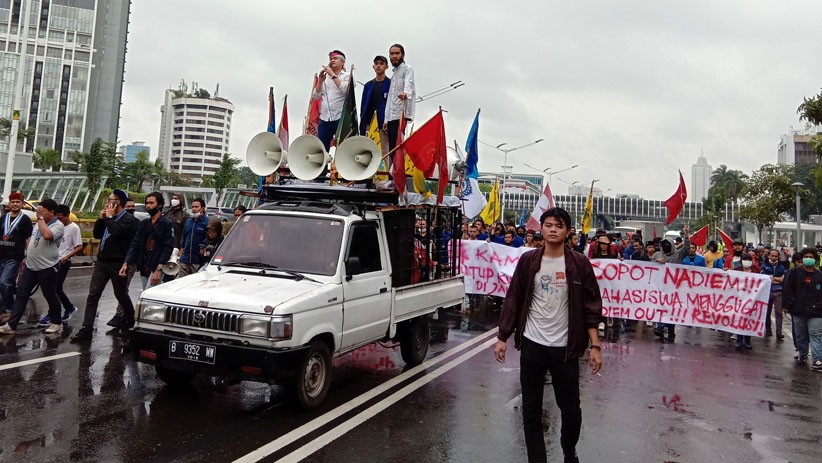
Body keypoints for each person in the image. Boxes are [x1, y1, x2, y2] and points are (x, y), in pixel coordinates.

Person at [495, 207, 602, 463]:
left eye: (559, 226)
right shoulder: (528, 261)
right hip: (532, 345)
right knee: (531, 409)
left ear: (568, 231)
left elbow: (591, 306)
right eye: (549, 225)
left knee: (571, 409)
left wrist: (595, 346)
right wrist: (502, 336)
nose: (553, 230)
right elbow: (514, 298)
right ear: (541, 229)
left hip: (565, 348)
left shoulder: (579, 263)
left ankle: (568, 449)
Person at [72, 189, 139, 342]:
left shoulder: (128, 219)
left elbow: (116, 232)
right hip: (102, 261)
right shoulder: (108, 218)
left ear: (119, 202)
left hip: (118, 262)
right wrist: (101, 219)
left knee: (121, 294)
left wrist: (109, 218)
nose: (108, 202)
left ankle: (130, 320)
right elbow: (97, 234)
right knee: (93, 294)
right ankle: (87, 328)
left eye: (111, 199)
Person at [0, 199, 65, 334]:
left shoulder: (58, 225)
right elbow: (31, 240)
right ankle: (11, 325)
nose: (39, 213)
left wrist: (40, 218)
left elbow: (47, 235)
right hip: (31, 266)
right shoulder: (39, 223)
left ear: (51, 212)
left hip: (47, 267)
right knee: (21, 295)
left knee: (50, 295)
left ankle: (56, 322)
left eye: (43, 211)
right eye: (39, 211)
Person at [37, 204, 82, 327]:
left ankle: (52, 314)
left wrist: (67, 257)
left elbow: (79, 246)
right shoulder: (55, 226)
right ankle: (68, 307)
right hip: (51, 260)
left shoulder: (74, 228)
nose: (59, 220)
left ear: (67, 216)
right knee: (52, 288)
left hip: (63, 262)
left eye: (61, 218)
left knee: (55, 288)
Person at [121, 192, 175, 290]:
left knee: (151, 293)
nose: (148, 206)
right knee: (145, 292)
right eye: (147, 203)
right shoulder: (144, 223)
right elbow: (135, 244)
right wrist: (126, 262)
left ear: (159, 205)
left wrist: (159, 269)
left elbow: (168, 247)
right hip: (144, 266)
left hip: (157, 266)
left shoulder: (166, 224)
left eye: (151, 203)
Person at [782, 247, 822, 370]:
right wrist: (787, 305)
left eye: (811, 257)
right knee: (800, 335)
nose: (808, 259)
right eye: (806, 257)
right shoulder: (794, 273)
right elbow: (787, 289)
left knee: (816, 334)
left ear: (815, 259)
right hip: (798, 310)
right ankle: (803, 355)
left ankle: (817, 360)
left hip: (816, 311)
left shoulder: (819, 275)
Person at [652, 225, 689, 342]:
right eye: (664, 245)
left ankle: (671, 329)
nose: (666, 247)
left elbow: (686, 249)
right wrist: (656, 262)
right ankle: (660, 327)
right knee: (661, 307)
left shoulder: (678, 254)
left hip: (674, 287)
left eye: (668, 245)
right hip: (660, 287)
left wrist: (686, 235)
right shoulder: (657, 255)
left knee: (671, 309)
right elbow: (649, 268)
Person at [0, 192, 33, 323]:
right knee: (4, 284)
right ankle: (3, 310)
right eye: (12, 202)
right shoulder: (3, 218)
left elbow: (28, 238)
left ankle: (9, 309)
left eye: (17, 202)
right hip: (1, 255)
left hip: (14, 257)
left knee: (5, 282)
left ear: (22, 204)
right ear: (9, 204)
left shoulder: (25, 220)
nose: (15, 204)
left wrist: (29, 254)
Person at [313, 50, 351, 151]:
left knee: (342, 148)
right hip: (325, 118)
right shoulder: (325, 78)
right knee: (322, 149)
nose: (332, 60)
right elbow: (316, 96)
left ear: (343, 62)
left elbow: (346, 90)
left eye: (335, 58)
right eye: (331, 59)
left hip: (340, 117)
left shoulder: (347, 75)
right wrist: (320, 81)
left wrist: (333, 75)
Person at [384, 44, 416, 152]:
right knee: (392, 147)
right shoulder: (394, 74)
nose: (394, 56)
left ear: (403, 55)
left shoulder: (407, 69)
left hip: (401, 114)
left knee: (398, 145)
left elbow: (409, 84)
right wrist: (386, 119)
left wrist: (405, 93)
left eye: (397, 53)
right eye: (392, 54)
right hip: (391, 116)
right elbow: (390, 98)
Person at [359, 55, 391, 138]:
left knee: (384, 146)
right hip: (369, 124)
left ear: (386, 67)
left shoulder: (391, 84)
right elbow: (363, 107)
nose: (378, 66)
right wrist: (362, 125)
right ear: (373, 66)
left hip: (384, 125)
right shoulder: (368, 85)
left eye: (381, 63)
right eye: (376, 63)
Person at [176, 198, 209, 278]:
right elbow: (184, 241)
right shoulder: (188, 222)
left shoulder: (207, 222)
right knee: (182, 281)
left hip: (198, 261)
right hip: (184, 260)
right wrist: (180, 256)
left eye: (196, 207)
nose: (194, 209)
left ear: (202, 208)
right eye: (192, 207)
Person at [760, 249, 786, 339]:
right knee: (767, 312)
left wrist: (773, 278)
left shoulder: (781, 267)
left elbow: (783, 279)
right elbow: (765, 279)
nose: (774, 257)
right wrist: (778, 279)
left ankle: (779, 332)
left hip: (779, 292)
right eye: (772, 255)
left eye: (776, 256)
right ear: (768, 256)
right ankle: (768, 329)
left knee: (779, 312)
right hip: (767, 292)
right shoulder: (764, 266)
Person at [732, 254, 755, 350]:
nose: (747, 261)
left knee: (749, 319)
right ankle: (739, 339)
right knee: (739, 319)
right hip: (739, 299)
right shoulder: (736, 270)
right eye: (745, 259)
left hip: (752, 299)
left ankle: (747, 340)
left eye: (749, 259)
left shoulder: (756, 271)